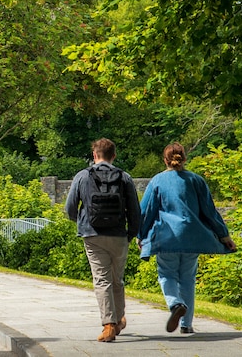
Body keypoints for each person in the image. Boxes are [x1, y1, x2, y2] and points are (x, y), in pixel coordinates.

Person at [137, 142, 237, 334]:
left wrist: (141, 235)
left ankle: (175, 304)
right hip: (192, 237)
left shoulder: (157, 181)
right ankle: (186, 324)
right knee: (188, 279)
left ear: (165, 160)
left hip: (167, 237)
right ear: (184, 158)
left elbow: (146, 211)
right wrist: (224, 236)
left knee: (167, 274)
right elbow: (210, 212)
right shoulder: (196, 180)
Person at [65, 138, 142, 343]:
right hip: (118, 235)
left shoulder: (82, 176)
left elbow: (70, 208)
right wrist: (131, 233)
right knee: (117, 279)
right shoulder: (124, 177)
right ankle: (118, 321)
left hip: (92, 235)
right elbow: (135, 210)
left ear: (94, 155)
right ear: (113, 156)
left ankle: (109, 325)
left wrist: (81, 221)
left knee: (102, 280)